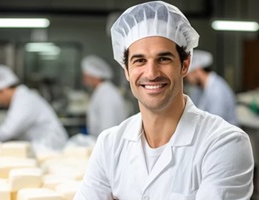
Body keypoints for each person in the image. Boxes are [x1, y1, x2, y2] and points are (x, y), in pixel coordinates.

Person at [74, 1, 254, 199]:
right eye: (139, 60)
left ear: (185, 65)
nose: (151, 73)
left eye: (164, 59)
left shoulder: (225, 144)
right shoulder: (109, 144)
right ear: (126, 70)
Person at [0, 65, 68, 152]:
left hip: (52, 148)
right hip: (43, 148)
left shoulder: (24, 100)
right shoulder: (21, 98)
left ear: (3, 90)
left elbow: (7, 131)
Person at [185, 49, 239, 126]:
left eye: (188, 75)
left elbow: (216, 123)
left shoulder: (217, 90)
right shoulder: (198, 89)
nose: (187, 79)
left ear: (197, 70)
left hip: (224, 135)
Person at [81, 54, 128, 138]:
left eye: (86, 76)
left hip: (108, 144)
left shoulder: (107, 95)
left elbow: (108, 127)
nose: (84, 79)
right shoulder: (101, 91)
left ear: (95, 76)